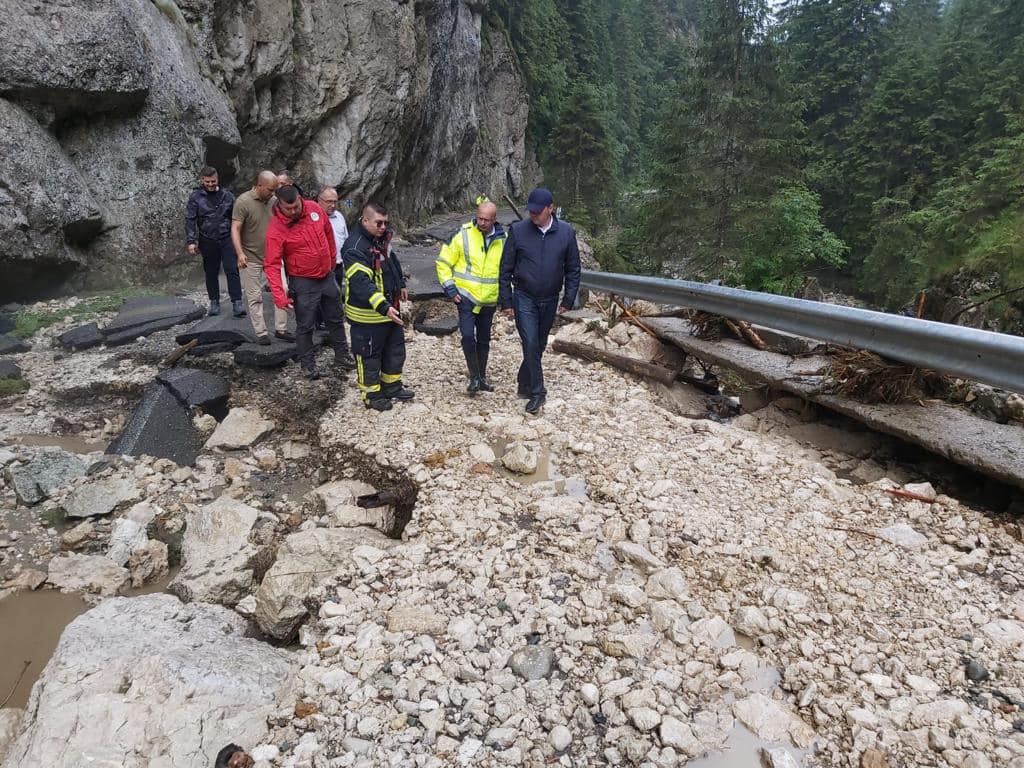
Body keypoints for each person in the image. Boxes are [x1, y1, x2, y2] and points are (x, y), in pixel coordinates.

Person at [498, 187, 581, 414]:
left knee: (539, 344)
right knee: (530, 342)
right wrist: (506, 301)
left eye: (538, 211)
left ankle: (524, 381)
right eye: (531, 210)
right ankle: (538, 392)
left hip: (550, 298)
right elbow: (505, 268)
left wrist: (569, 298)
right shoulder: (518, 231)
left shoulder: (566, 233)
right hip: (524, 297)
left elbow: (573, 268)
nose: (533, 214)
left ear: (550, 208)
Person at [264, 185, 354, 379]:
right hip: (303, 281)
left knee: (336, 317)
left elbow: (328, 233)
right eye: (288, 209)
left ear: (300, 199)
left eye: (296, 206)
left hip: (326, 275)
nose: (293, 211)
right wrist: (279, 296)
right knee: (305, 325)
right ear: (279, 205)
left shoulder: (314, 208)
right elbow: (271, 264)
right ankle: (308, 365)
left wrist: (331, 260)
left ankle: (342, 355)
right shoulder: (275, 229)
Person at [342, 202, 414, 411]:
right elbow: (361, 283)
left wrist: (401, 284)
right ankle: (371, 395)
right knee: (369, 357)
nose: (383, 227)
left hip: (389, 311)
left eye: (385, 223)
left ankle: (392, 386)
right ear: (365, 220)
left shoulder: (380, 239)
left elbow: (392, 263)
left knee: (395, 351)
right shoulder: (354, 247)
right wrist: (383, 306)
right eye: (379, 223)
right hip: (368, 316)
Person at [436, 198, 506, 394]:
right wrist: (450, 289)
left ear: (494, 219)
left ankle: (481, 378)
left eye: (486, 220)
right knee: (467, 336)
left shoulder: (504, 240)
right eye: (479, 218)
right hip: (466, 296)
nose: (481, 222)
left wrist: (506, 298)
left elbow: (507, 270)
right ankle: (474, 377)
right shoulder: (463, 234)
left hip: (489, 300)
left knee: (484, 340)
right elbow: (443, 262)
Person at [231, 170, 293, 345]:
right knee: (255, 296)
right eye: (270, 190)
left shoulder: (274, 201)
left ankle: (281, 329)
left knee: (282, 290)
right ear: (259, 185)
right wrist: (240, 253)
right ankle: (261, 333)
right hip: (250, 257)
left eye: (275, 190)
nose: (273, 193)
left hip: (274, 256)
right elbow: (235, 228)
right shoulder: (243, 202)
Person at [185, 166, 245, 317]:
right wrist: (191, 241)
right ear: (202, 180)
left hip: (226, 237)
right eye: (207, 182)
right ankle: (214, 302)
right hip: (207, 239)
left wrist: (240, 238)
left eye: (213, 181)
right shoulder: (195, 197)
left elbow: (236, 218)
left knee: (232, 269)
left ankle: (237, 302)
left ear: (217, 179)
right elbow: (190, 219)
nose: (211, 184)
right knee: (211, 271)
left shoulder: (227, 195)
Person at [317, 186, 348, 283]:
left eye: (335, 202)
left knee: (337, 291)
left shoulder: (339, 216)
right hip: (320, 267)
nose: (333, 205)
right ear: (319, 201)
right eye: (329, 201)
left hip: (338, 266)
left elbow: (346, 239)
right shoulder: (312, 218)